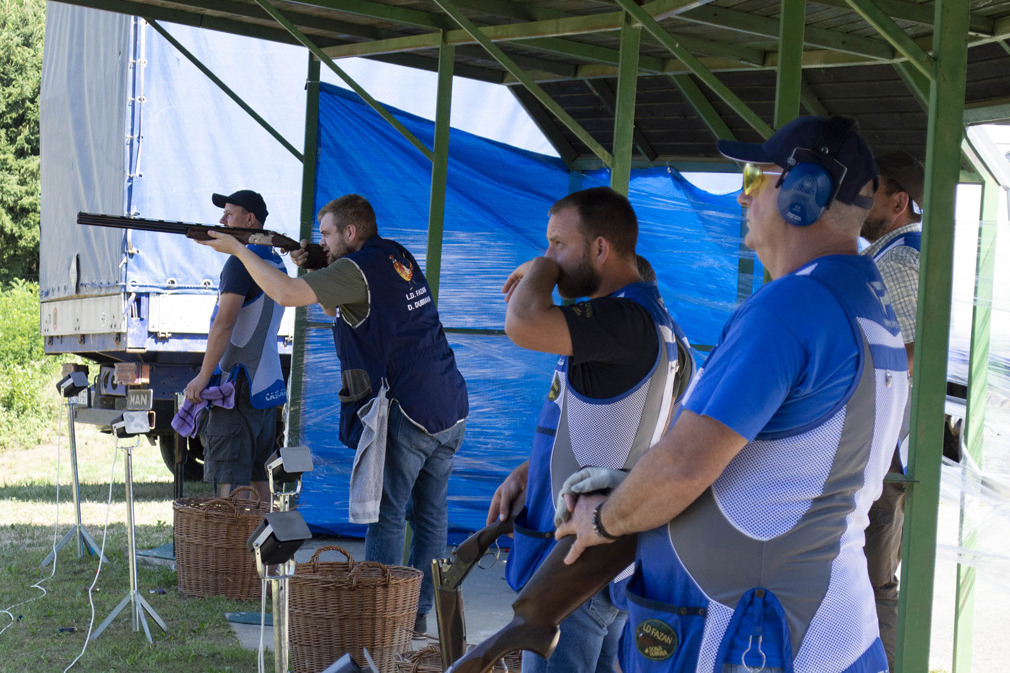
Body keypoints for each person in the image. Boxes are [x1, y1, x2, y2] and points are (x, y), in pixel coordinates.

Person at [556, 117, 909, 673]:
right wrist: (633, 488)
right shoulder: (862, 297)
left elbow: (680, 466)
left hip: (757, 636)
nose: (743, 196)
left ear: (803, 194)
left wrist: (603, 520)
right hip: (821, 627)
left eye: (754, 177)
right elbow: (785, 466)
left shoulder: (792, 307)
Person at [196, 193, 468, 637]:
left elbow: (285, 294)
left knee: (386, 514)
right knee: (431, 517)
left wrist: (240, 250)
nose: (319, 240)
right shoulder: (395, 255)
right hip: (450, 403)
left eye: (325, 234)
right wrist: (317, 264)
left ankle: (379, 618)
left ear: (351, 233)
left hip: (410, 411)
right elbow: (338, 305)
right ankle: (415, 615)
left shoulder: (356, 268)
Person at [487, 187, 695, 673]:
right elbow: (617, 424)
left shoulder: (621, 317)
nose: (550, 257)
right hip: (597, 547)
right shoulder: (639, 316)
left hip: (581, 560)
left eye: (558, 243)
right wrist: (531, 469)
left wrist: (537, 271)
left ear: (600, 249)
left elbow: (522, 323)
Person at [860, 150, 924, 672]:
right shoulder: (900, 251)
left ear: (898, 202)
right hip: (891, 443)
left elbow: (901, 353)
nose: (861, 202)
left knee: (873, 577)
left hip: (888, 446)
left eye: (871, 193)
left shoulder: (898, 259)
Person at [183, 189, 287, 501]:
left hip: (238, 387)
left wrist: (203, 376)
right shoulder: (273, 262)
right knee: (259, 483)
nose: (222, 220)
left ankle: (233, 550)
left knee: (230, 487)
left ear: (250, 219)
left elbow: (224, 323)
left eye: (229, 213)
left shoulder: (241, 264)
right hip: (266, 384)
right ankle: (264, 551)